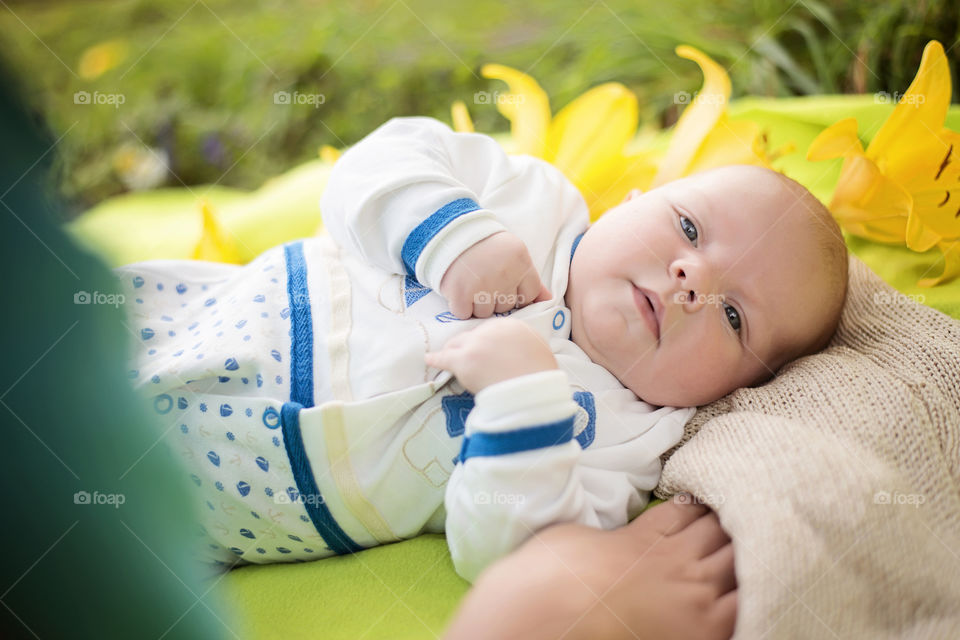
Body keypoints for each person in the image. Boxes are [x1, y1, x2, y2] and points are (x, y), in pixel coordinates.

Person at [114, 116, 847, 584]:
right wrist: (454, 235)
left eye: (733, 316)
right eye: (689, 229)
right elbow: (373, 164)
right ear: (631, 201)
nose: (694, 279)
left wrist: (523, 401)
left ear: (742, 388)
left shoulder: (628, 447)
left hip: (204, 511)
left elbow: (506, 555)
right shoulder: (531, 203)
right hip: (185, 320)